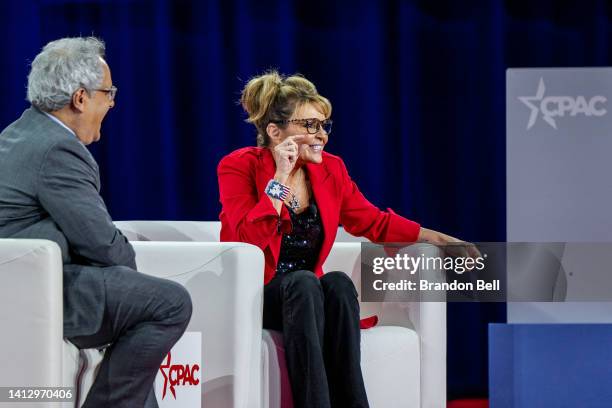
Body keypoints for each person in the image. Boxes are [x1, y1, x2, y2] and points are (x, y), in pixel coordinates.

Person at [217, 70, 474, 408]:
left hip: (308, 296)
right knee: (304, 283)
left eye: (324, 125)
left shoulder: (331, 169)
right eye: (310, 126)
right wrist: (280, 177)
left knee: (336, 283)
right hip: (256, 295)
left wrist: (439, 239)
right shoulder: (239, 166)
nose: (321, 135)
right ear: (275, 132)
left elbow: (373, 222)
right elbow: (247, 239)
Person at [0, 37, 192, 408]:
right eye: (108, 91)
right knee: (168, 302)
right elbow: (103, 245)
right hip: (37, 289)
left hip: (23, 279)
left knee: (139, 327)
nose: (113, 101)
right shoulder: (58, 148)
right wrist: (131, 272)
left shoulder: (20, 133)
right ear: (80, 98)